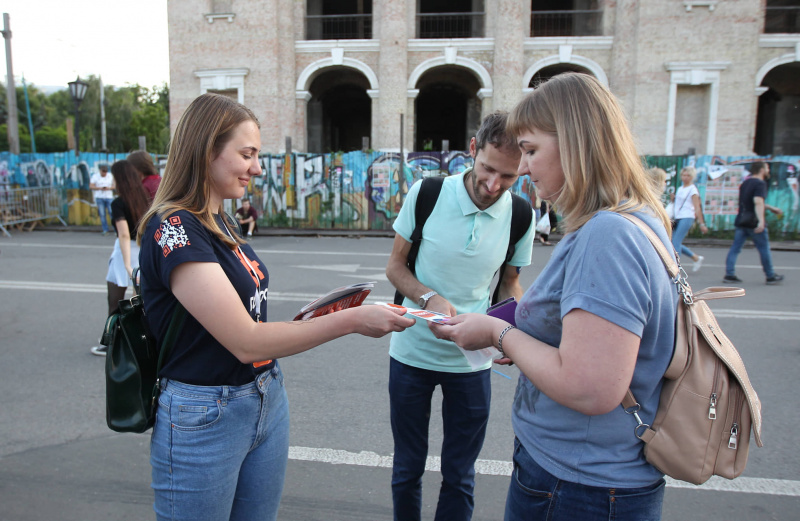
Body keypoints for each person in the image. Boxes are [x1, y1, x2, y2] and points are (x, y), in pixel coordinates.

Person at [136, 92, 414, 521]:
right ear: (207, 150)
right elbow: (246, 341)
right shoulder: (174, 227)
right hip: (205, 413)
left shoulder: (220, 220)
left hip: (264, 397)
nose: (257, 167)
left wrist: (313, 318)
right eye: (246, 154)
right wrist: (352, 319)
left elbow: (245, 320)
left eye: (257, 154)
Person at [429, 73, 677, 521]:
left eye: (530, 150)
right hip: (591, 477)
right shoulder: (635, 218)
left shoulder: (607, 235)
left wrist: (499, 333)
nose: (523, 168)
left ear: (576, 142)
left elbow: (591, 388)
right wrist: (527, 338)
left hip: (577, 485)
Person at [385, 111, 535, 521]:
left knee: (460, 474)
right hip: (411, 354)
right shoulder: (427, 193)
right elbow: (395, 267)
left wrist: (511, 330)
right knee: (407, 468)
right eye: (487, 169)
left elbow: (510, 283)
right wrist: (427, 296)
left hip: (472, 363)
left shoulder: (521, 214)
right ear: (472, 149)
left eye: (507, 177)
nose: (493, 186)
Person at [90, 160, 150, 356]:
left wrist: (126, 264)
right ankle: (139, 341)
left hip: (125, 251)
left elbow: (123, 234)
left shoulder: (119, 202)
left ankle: (110, 342)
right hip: (142, 249)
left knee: (115, 299)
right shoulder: (145, 199)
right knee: (139, 300)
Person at [724, 161, 784, 285]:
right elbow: (757, 202)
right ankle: (770, 275)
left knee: (735, 248)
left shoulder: (745, 183)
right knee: (764, 249)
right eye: (767, 168)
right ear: (762, 170)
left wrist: (771, 208)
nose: (768, 170)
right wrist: (761, 222)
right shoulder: (760, 184)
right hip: (753, 222)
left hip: (741, 220)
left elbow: (751, 202)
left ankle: (729, 274)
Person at [671, 166, 708, 272]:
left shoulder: (693, 190)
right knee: (673, 242)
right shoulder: (680, 188)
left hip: (687, 216)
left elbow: (697, 207)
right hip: (678, 216)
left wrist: (701, 224)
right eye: (683, 175)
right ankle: (695, 258)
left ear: (692, 177)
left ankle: (675, 268)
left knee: (675, 243)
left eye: (688, 175)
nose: (685, 177)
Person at [89, 163, 115, 235]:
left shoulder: (110, 176)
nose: (104, 173)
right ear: (100, 170)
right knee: (102, 214)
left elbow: (114, 186)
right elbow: (91, 186)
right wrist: (100, 188)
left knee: (112, 213)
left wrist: (108, 188)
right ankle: (105, 230)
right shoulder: (95, 176)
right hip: (99, 197)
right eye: (103, 171)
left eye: (106, 171)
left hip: (109, 197)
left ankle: (116, 229)